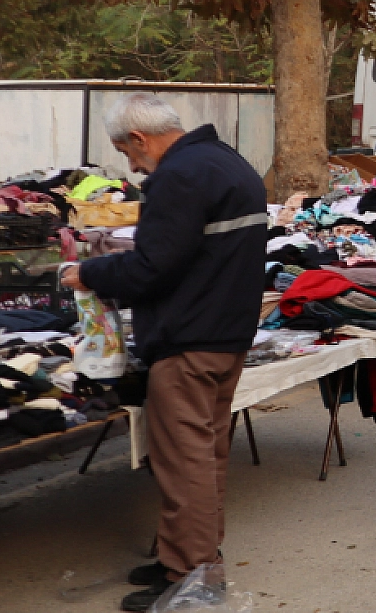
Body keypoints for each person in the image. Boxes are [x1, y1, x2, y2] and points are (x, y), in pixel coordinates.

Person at [61, 95, 268, 612]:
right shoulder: (230, 164)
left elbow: (153, 267)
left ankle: (190, 575)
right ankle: (189, 554)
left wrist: (88, 273)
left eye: (125, 151)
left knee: (184, 461)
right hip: (227, 335)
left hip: (189, 339)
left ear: (140, 138)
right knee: (206, 454)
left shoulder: (179, 176)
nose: (129, 165)